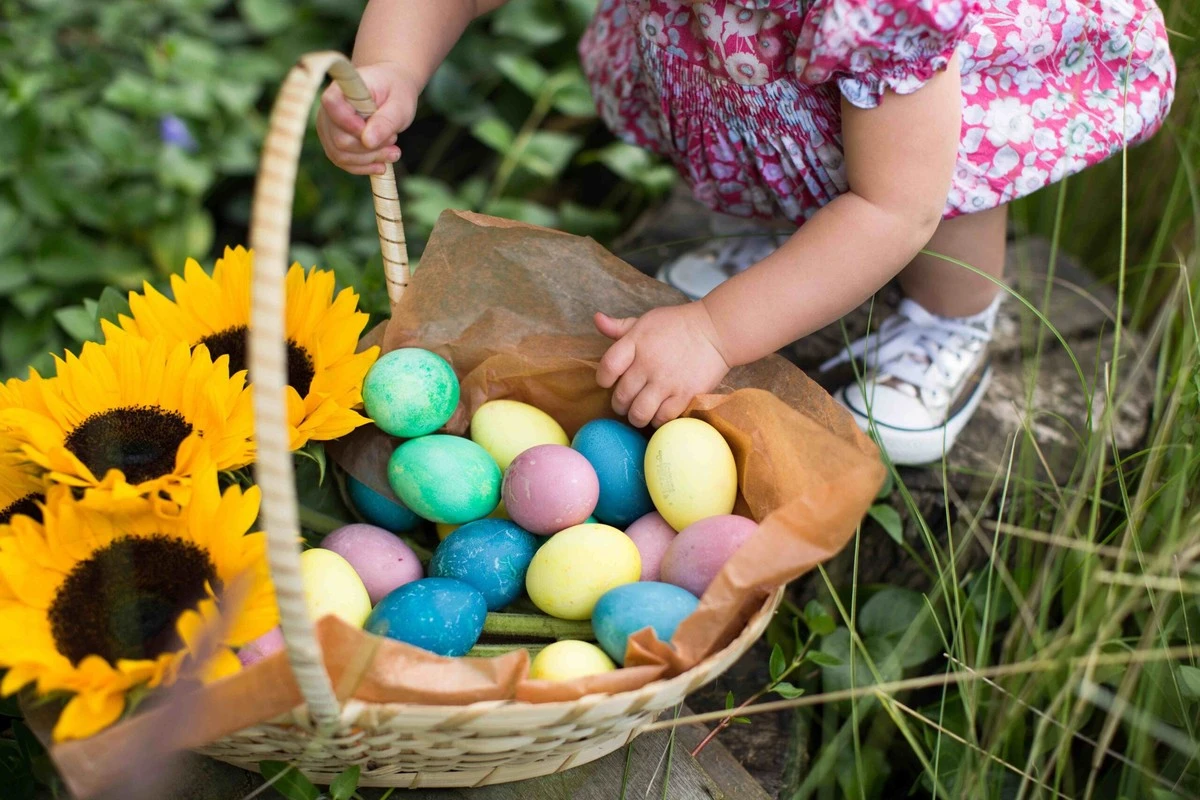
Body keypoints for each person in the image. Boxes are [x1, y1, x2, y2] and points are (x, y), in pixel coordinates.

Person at [317, 0, 1175, 465]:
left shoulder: (879, 14)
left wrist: (713, 328)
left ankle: (956, 323)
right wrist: (392, 66)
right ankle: (802, 250)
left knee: (945, 207)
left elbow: (895, 206)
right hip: (784, 89)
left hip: (932, 135)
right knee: (805, 149)